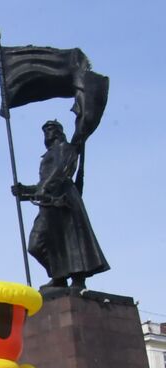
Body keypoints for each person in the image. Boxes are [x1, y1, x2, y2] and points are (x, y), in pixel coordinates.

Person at [13, 119, 109, 290]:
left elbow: (60, 172)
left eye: (50, 129)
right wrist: (23, 191)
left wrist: (43, 189)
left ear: (59, 131)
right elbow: (43, 183)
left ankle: (77, 279)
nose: (47, 133)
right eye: (45, 130)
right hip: (49, 204)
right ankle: (59, 275)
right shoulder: (48, 155)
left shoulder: (66, 148)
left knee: (71, 241)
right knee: (36, 244)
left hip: (64, 202)